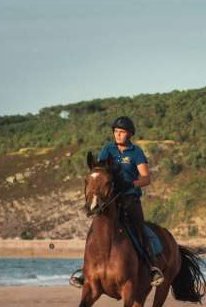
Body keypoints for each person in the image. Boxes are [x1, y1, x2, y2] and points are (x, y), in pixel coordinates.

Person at [70, 116, 164, 288]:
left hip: (130, 200)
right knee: (94, 231)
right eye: (116, 132)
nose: (118, 135)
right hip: (110, 200)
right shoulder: (107, 150)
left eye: (121, 132)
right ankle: (85, 271)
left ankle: (152, 268)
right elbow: (99, 170)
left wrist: (131, 184)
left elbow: (146, 178)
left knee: (139, 228)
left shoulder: (136, 152)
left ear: (129, 134)